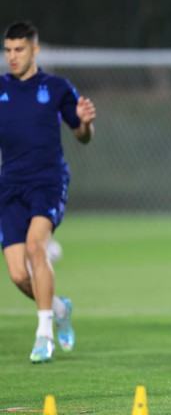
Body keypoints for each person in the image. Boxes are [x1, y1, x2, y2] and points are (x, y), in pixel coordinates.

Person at [1, 21, 95, 363]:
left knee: (35, 247)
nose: (12, 56)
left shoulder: (56, 87)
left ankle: (44, 335)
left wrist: (84, 122)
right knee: (16, 274)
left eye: (19, 49)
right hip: (9, 186)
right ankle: (58, 307)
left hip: (48, 181)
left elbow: (83, 135)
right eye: (8, 50)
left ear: (34, 49)